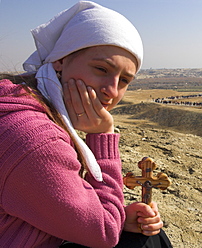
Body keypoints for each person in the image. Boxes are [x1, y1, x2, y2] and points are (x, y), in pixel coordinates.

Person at [0, 1, 172, 248]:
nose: (111, 91)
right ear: (60, 60)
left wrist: (120, 217)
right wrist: (103, 134)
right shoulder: (35, 138)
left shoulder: (21, 100)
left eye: (124, 80)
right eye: (101, 68)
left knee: (149, 235)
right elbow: (104, 232)